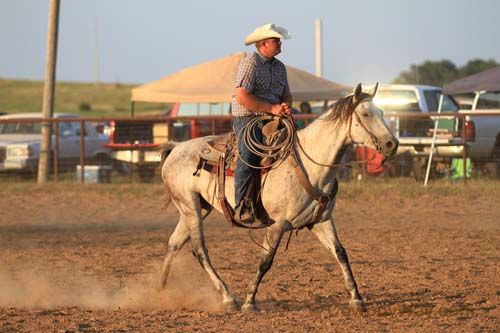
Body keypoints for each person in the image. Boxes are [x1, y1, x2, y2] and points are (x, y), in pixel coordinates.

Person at [231, 23, 293, 225]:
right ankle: (241, 205)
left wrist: (284, 108)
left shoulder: (280, 67)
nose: (280, 42)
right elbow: (242, 97)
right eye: (276, 40)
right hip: (248, 117)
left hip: (274, 118)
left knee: (298, 144)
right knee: (248, 153)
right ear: (264, 44)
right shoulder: (250, 64)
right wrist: (272, 109)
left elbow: (286, 95)